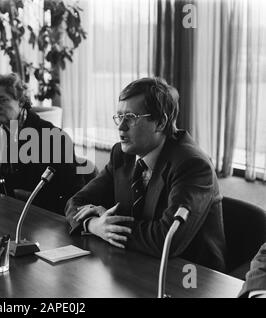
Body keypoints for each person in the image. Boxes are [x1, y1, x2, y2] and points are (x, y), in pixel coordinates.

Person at [65, 77, 227, 271]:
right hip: (134, 263)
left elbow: (167, 239)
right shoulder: (122, 154)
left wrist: (110, 229)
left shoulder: (193, 165)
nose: (121, 127)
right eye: (119, 116)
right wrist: (94, 225)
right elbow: (76, 202)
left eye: (131, 117)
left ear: (160, 123)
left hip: (189, 275)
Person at [0, 73, 84, 214]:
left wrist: (5, 183)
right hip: (9, 210)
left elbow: (66, 194)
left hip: (46, 217)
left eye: (2, 100)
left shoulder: (53, 136)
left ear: (20, 101)